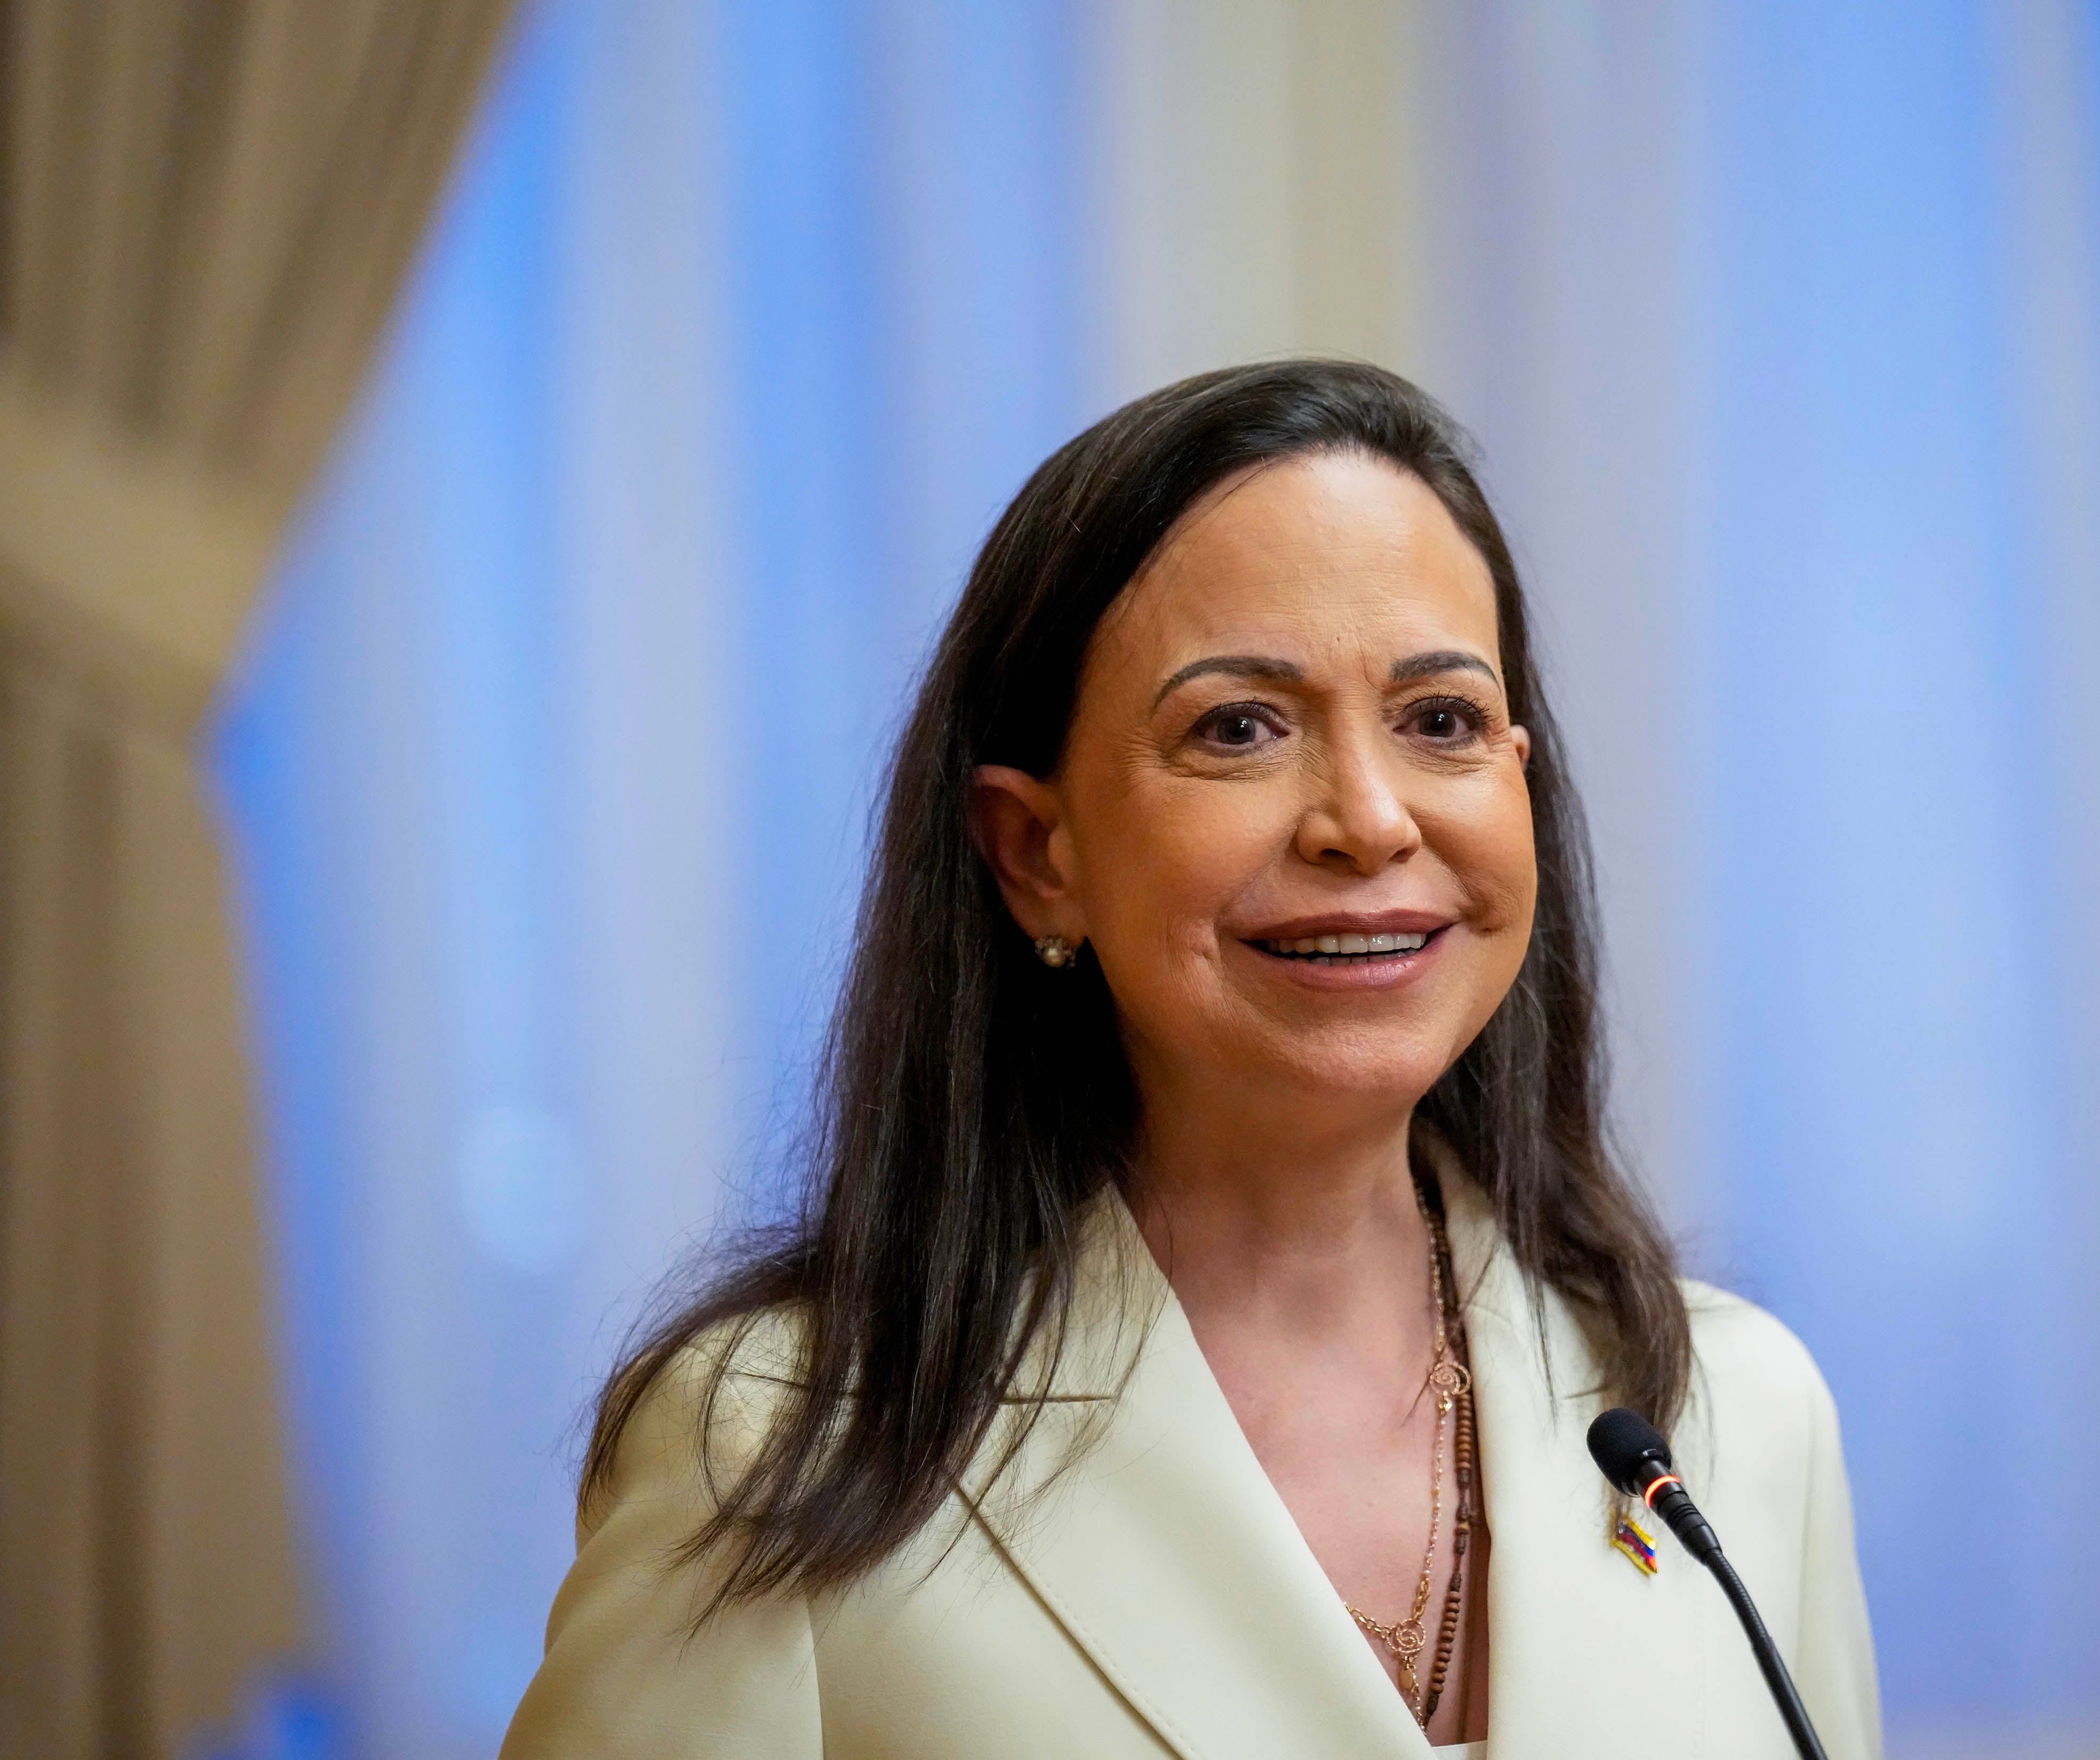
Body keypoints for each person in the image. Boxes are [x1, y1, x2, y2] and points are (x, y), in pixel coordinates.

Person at [500, 360, 1881, 1758]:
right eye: (1238, 728)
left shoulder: (1739, 1410)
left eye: (1440, 720)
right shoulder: (775, 1442)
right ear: (1037, 854)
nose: (1365, 818)